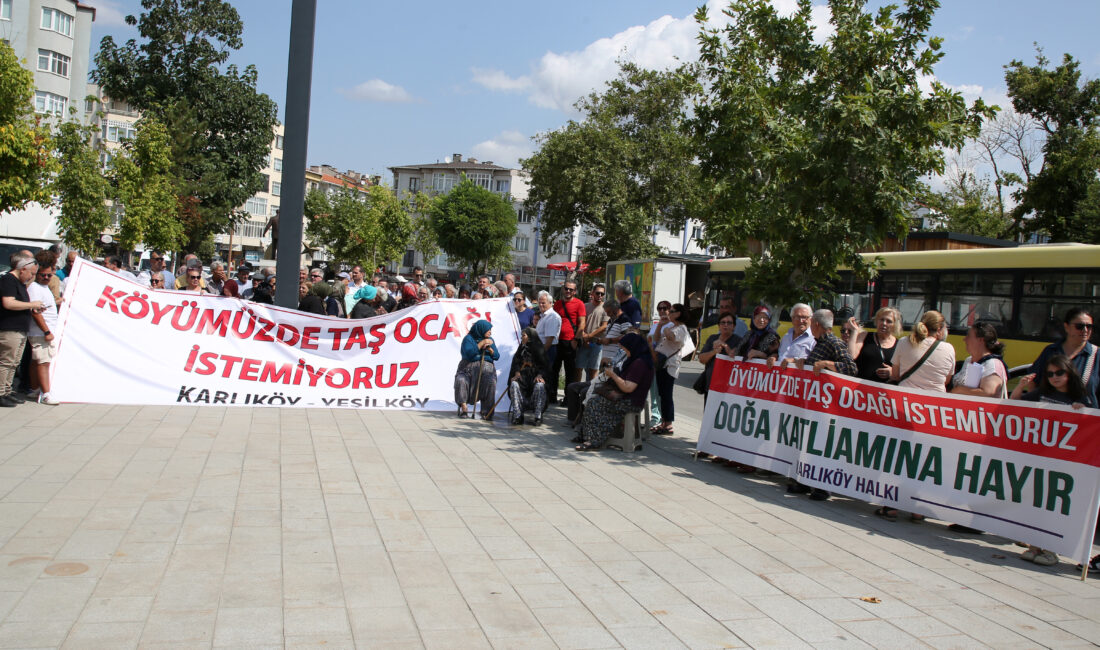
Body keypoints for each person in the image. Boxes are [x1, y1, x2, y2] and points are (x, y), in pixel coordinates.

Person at [575, 333, 654, 451]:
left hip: (631, 401)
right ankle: (587, 436)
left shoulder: (639, 364)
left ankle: (593, 440)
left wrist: (612, 375)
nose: (624, 351)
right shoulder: (637, 360)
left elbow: (628, 387)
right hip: (627, 398)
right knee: (593, 399)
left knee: (594, 403)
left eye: (624, 348)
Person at [1026, 308, 1097, 408]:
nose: (1085, 330)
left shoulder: (1096, 355)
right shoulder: (1050, 351)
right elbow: (1033, 380)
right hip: (1050, 418)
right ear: (1066, 327)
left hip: (1084, 419)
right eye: (1079, 326)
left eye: (1089, 326)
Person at [1, 252, 44, 408]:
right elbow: (9, 303)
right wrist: (31, 305)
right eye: (31, 273)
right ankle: (1, 392)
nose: (31, 277)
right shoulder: (8, 280)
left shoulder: (18, 282)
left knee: (14, 363)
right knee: (6, 362)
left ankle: (7, 390)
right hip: (9, 328)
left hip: (19, 328)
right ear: (22, 268)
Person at [891, 310, 955, 392]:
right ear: (939, 330)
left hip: (906, 398)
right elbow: (947, 380)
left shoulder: (904, 341)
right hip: (935, 400)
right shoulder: (949, 349)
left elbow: (895, 376)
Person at [651, 302, 689, 436]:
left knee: (667, 395)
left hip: (670, 365)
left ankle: (668, 424)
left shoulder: (681, 328)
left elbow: (671, 337)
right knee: (661, 394)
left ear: (679, 313)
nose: (668, 313)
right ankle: (664, 421)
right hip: (662, 364)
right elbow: (656, 338)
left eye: (671, 311)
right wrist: (661, 325)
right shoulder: (671, 326)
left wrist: (666, 328)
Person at [26, 255, 59, 405]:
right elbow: (35, 312)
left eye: (49, 275)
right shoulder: (34, 288)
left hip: (46, 330)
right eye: (43, 275)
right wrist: (46, 332)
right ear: (36, 274)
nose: (46, 277)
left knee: (37, 361)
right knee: (43, 362)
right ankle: (46, 393)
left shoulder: (44, 287)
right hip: (41, 332)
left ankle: (34, 390)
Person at [550, 281, 586, 404]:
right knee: (554, 370)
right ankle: (552, 396)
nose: (568, 291)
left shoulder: (579, 304)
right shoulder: (558, 304)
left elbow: (582, 323)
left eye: (571, 289)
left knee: (570, 373)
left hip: (570, 342)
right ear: (563, 289)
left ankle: (568, 399)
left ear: (575, 291)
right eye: (566, 289)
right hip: (556, 341)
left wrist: (576, 339)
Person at [950, 322, 1008, 399]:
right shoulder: (969, 360)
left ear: (981, 340)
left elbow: (989, 392)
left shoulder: (992, 363)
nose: (964, 339)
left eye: (969, 336)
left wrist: (958, 390)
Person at [455, 320, 499, 419]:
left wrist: (490, 349)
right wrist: (481, 344)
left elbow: (496, 356)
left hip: (487, 371)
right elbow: (469, 354)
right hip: (467, 370)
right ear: (481, 329)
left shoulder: (490, 339)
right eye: (488, 330)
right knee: (461, 380)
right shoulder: (468, 339)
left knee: (491, 382)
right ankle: (464, 408)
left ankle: (486, 411)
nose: (490, 332)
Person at [843, 307, 901, 383]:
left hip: (884, 392)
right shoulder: (864, 336)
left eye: (889, 321)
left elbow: (905, 371)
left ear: (894, 325)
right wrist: (854, 331)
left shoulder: (899, 344)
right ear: (876, 321)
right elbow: (851, 356)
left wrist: (892, 373)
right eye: (881, 319)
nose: (884, 323)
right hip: (861, 389)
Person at [1011, 354, 1088, 409]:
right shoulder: (1041, 392)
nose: (1054, 377)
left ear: (1069, 373)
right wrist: (1020, 386)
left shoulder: (1080, 397)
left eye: (1059, 373)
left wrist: (1082, 409)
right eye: (1050, 374)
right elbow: (1014, 402)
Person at [697, 312, 742, 402]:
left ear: (734, 326)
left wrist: (726, 347)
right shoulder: (712, 338)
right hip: (711, 386)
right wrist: (714, 352)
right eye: (723, 322)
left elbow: (738, 359)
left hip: (729, 388)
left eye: (729, 323)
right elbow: (701, 359)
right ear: (719, 326)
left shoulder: (739, 340)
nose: (726, 325)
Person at [508, 327, 549, 426]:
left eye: (524, 335)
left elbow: (545, 366)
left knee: (540, 386)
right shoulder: (521, 348)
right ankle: (518, 416)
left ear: (530, 337)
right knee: (513, 384)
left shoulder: (539, 349)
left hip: (534, 379)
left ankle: (538, 416)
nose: (522, 338)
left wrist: (540, 375)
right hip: (523, 379)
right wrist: (517, 372)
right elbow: (516, 363)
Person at [800, 309, 858, 376]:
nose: (809, 328)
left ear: (816, 324)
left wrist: (826, 364)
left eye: (811, 324)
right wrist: (803, 361)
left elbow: (851, 369)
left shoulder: (835, 343)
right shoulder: (820, 342)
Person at [577, 283, 609, 381]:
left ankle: (591, 393)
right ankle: (577, 391)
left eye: (602, 294)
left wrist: (589, 336)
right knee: (578, 368)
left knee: (594, 370)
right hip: (583, 342)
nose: (600, 296)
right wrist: (583, 336)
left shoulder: (605, 308)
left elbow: (604, 326)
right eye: (598, 293)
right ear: (592, 293)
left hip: (596, 342)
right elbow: (580, 322)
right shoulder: (585, 306)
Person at [535, 291, 561, 371]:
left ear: (550, 303)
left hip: (547, 350)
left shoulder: (552, 317)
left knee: (543, 375)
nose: (540, 305)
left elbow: (549, 339)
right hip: (542, 348)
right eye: (539, 303)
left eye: (543, 303)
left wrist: (541, 354)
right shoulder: (544, 315)